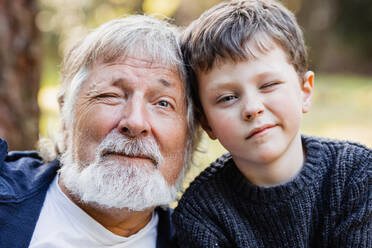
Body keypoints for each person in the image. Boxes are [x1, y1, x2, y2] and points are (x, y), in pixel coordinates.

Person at [172, 0, 372, 247]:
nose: (252, 108)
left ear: (304, 91)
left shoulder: (356, 173)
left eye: (268, 85)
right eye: (227, 98)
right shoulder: (201, 214)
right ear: (207, 123)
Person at [0, 15, 200, 248]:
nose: (135, 122)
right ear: (67, 117)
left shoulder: (205, 239)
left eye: (163, 103)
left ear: (190, 138)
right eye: (110, 96)